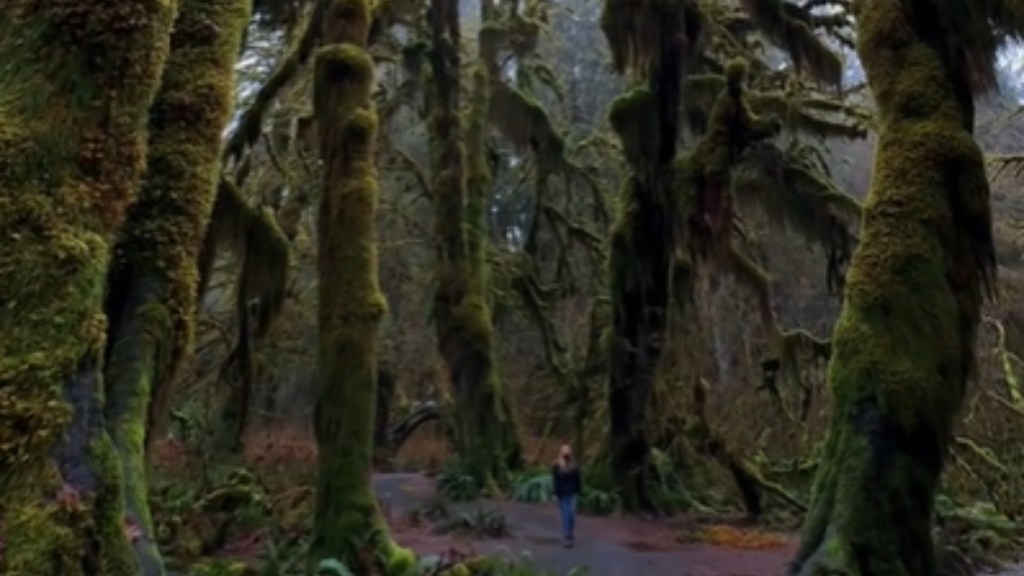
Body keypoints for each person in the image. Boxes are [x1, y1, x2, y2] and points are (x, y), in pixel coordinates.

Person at [551, 444, 582, 548]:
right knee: (566, 514)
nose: (566, 454)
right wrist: (555, 493)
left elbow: (578, 479)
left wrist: (579, 491)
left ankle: (570, 532)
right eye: (564, 452)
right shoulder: (556, 466)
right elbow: (555, 481)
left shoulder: (574, 465)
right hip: (562, 493)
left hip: (572, 492)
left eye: (567, 452)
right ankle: (567, 536)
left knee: (572, 515)